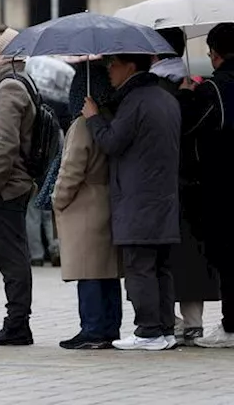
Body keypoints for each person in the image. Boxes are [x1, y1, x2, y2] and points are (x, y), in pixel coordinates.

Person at [81, 53, 181, 351]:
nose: (109, 70)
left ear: (131, 66)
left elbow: (112, 142)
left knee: (140, 267)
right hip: (163, 196)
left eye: (114, 64)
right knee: (160, 267)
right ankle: (164, 329)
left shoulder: (134, 101)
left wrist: (93, 118)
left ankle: (148, 331)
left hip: (138, 199)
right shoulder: (166, 98)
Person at [151, 28, 220, 346]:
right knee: (193, 254)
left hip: (163, 182)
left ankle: (169, 321)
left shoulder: (152, 87)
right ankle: (193, 322)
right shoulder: (195, 85)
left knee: (163, 256)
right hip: (197, 181)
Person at [53, 63, 122, 350]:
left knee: (87, 270)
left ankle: (92, 330)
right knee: (106, 271)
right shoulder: (110, 117)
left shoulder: (82, 124)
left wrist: (58, 199)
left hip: (84, 203)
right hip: (107, 199)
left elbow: (71, 168)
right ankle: (109, 327)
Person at [0, 26, 37, 346]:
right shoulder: (13, 82)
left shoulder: (9, 87)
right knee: (14, 255)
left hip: (9, 186)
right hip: (13, 183)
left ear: (7, 52)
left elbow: (4, 145)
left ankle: (17, 324)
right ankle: (17, 321)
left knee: (12, 257)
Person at [179, 23, 234, 348]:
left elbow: (188, 127)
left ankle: (231, 326)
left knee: (227, 257)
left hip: (222, 186)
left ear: (214, 53)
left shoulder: (213, 90)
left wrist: (186, 94)